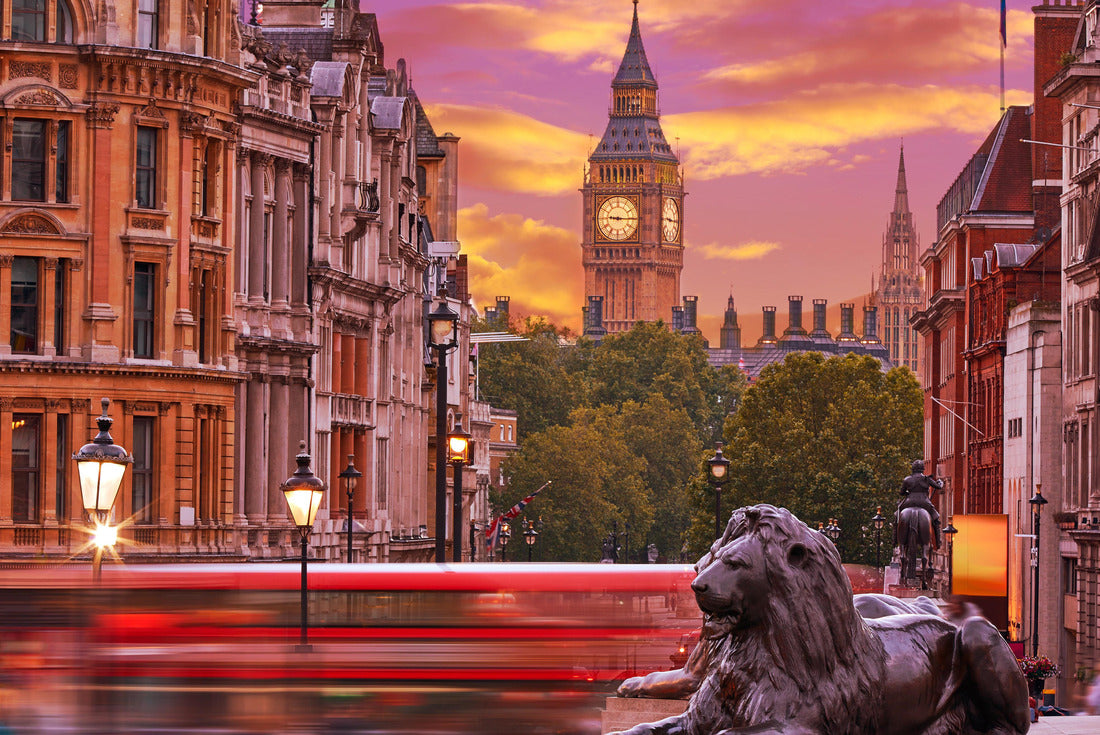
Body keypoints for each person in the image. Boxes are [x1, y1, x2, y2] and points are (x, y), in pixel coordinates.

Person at [897, 459, 943, 548]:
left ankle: (895, 539)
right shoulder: (927, 479)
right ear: (923, 469)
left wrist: (908, 493)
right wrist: (940, 482)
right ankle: (938, 541)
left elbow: (901, 492)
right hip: (924, 503)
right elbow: (938, 487)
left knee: (897, 516)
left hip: (909, 502)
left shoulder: (907, 479)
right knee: (936, 519)